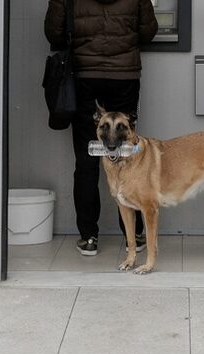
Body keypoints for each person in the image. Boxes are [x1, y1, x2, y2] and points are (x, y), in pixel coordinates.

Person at [45, 0, 158, 256]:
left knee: (86, 159)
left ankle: (89, 237)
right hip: (124, 78)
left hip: (84, 77)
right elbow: (148, 32)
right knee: (130, 157)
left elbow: (53, 32)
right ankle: (135, 235)